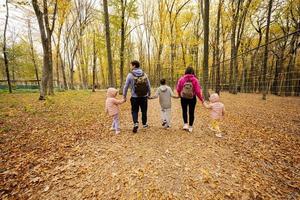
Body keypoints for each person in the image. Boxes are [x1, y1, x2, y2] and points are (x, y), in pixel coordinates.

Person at [123, 60, 151, 133]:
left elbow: (126, 86)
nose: (130, 66)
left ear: (134, 66)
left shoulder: (130, 75)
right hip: (144, 96)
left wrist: (124, 96)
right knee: (144, 110)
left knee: (134, 111)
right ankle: (144, 124)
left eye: (131, 65)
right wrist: (149, 93)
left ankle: (135, 123)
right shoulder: (144, 74)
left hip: (134, 97)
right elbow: (148, 85)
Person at [176, 66, 204, 133]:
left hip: (183, 98)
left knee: (184, 110)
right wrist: (202, 99)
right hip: (192, 98)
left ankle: (185, 124)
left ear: (186, 71)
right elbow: (197, 91)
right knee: (191, 112)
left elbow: (178, 89)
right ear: (193, 72)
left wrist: (179, 95)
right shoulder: (195, 80)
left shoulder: (181, 79)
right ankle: (191, 127)